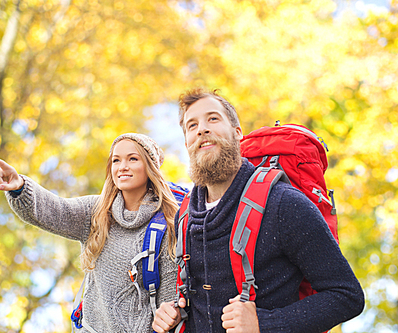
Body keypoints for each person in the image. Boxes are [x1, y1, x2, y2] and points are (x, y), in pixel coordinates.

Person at [152, 88, 365, 333]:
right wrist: (173, 313)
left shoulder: (283, 204)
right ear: (188, 143)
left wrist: (264, 324)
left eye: (213, 118)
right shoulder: (186, 214)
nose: (202, 129)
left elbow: (347, 295)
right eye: (192, 125)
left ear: (237, 133)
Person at [0, 133, 182, 333]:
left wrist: (171, 314)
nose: (122, 166)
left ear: (150, 167)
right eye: (116, 160)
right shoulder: (96, 212)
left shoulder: (167, 224)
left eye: (133, 159)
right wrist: (19, 187)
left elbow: (169, 300)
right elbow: (55, 210)